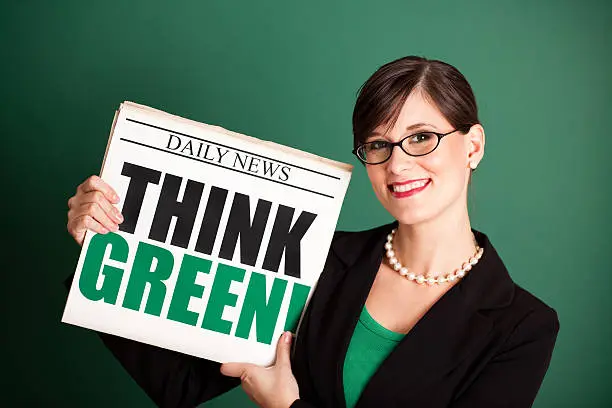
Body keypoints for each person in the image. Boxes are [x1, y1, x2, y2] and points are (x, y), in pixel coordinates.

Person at [66, 56, 559, 408]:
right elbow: (180, 384)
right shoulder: (314, 258)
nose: (399, 163)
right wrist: (108, 247)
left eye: (423, 137)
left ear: (472, 146)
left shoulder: (523, 327)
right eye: (378, 144)